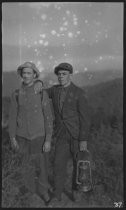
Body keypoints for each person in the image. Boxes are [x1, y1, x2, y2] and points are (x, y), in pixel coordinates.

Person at [34, 62, 91, 206]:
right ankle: (57, 194)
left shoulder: (79, 93)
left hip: (77, 136)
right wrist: (39, 82)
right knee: (58, 165)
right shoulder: (54, 90)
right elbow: (41, 92)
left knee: (79, 165)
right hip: (60, 136)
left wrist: (83, 139)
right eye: (59, 74)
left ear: (70, 75)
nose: (61, 77)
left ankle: (76, 190)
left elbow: (85, 118)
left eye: (64, 74)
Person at [8, 61, 53, 205]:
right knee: (25, 166)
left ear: (35, 75)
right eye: (24, 73)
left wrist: (48, 139)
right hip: (22, 138)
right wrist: (12, 137)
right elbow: (12, 117)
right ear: (21, 75)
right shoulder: (16, 94)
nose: (26, 76)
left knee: (42, 166)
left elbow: (48, 117)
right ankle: (29, 191)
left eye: (29, 73)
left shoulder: (41, 92)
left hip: (39, 137)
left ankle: (44, 191)